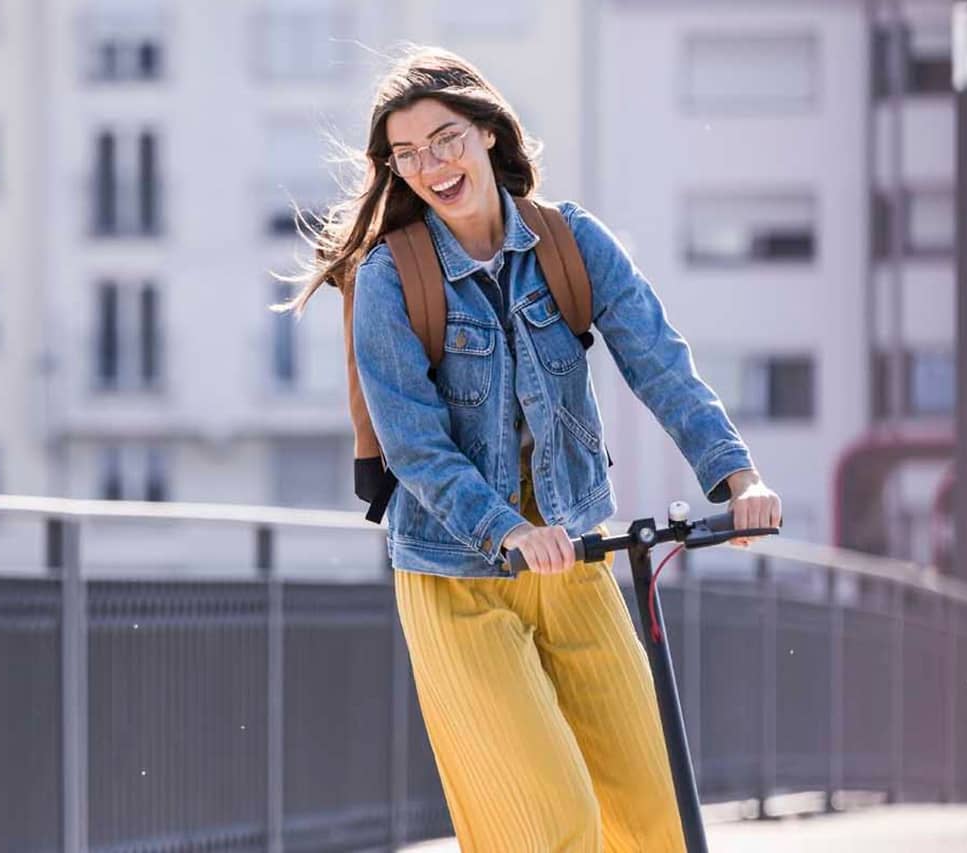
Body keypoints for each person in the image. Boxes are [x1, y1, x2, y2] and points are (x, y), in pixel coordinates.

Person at [280, 46, 783, 851]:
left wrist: (736, 474)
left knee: (657, 819)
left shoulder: (568, 243)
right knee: (550, 824)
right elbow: (415, 446)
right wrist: (507, 530)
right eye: (407, 154)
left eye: (445, 139)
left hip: (573, 556)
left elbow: (656, 357)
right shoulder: (387, 279)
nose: (430, 166)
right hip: (457, 578)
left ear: (486, 132)